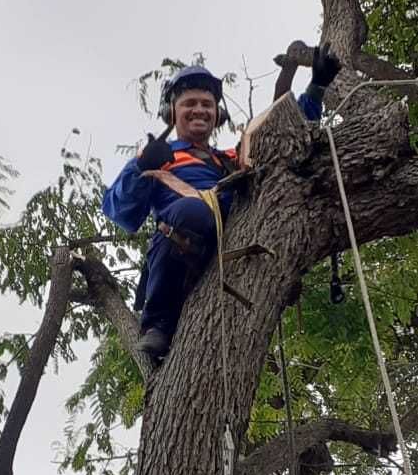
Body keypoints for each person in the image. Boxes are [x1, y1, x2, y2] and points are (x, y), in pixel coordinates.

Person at [102, 48, 340, 358]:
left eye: (206, 104)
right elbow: (119, 212)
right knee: (190, 211)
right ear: (172, 113)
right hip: (183, 244)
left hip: (234, 240)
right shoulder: (159, 156)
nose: (199, 110)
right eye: (189, 104)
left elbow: (286, 135)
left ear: (218, 113)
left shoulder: (231, 158)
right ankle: (159, 324)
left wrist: (316, 88)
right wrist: (141, 167)